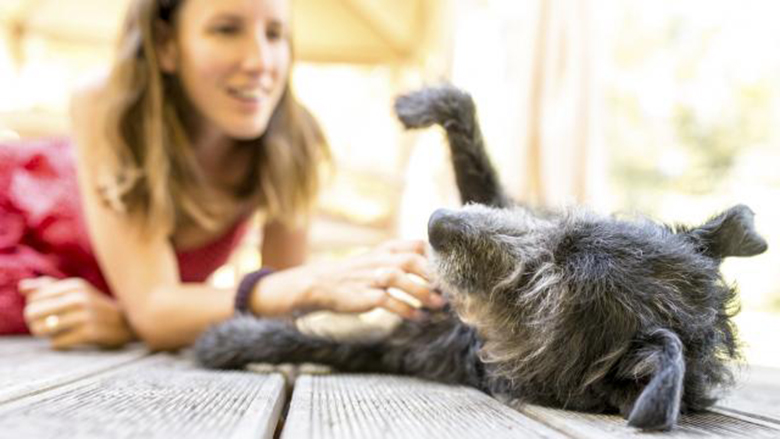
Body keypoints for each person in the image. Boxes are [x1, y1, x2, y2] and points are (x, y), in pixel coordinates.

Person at [0, 0, 444, 350]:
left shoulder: (294, 140)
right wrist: (316, 282)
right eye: (226, 29)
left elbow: (276, 315)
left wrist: (132, 320)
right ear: (166, 44)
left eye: (275, 34)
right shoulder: (106, 102)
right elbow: (158, 308)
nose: (260, 61)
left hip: (58, 305)